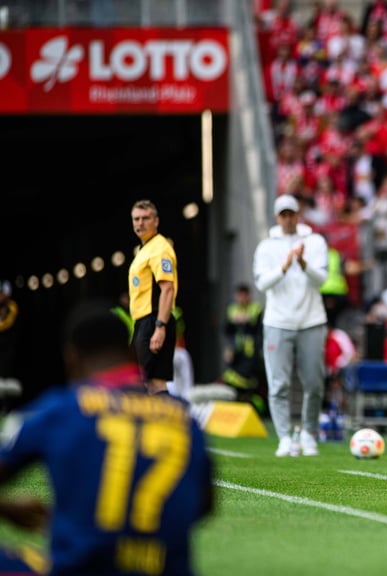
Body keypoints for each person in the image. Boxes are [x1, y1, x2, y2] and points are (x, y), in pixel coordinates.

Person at [0, 300, 214, 575]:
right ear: (132, 353)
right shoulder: (184, 419)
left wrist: (7, 509)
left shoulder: (62, 408)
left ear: (71, 358)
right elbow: (204, 505)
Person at [253, 194, 330, 458]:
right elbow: (262, 284)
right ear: (277, 217)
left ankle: (309, 434)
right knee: (279, 384)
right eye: (283, 214)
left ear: (298, 215)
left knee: (314, 383)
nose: (287, 219)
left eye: (291, 214)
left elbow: (322, 279)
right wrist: (285, 266)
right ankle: (284, 437)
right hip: (278, 321)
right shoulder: (266, 247)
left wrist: (303, 263)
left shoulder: (315, 241)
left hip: (311, 320)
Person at [127, 199, 178, 395]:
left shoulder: (159, 249)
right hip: (147, 322)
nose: (140, 223)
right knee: (156, 384)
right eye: (136, 219)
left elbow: (168, 289)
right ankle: (167, 425)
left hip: (153, 321)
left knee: (138, 383)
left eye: (145, 218)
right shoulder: (145, 249)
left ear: (156, 221)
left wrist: (160, 326)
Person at [222, 284, 266, 413]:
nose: (242, 298)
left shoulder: (255, 308)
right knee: (232, 379)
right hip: (235, 351)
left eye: (244, 295)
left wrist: (245, 320)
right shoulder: (232, 309)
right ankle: (237, 407)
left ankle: (253, 408)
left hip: (251, 352)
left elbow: (258, 330)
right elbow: (227, 330)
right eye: (240, 295)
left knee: (249, 380)